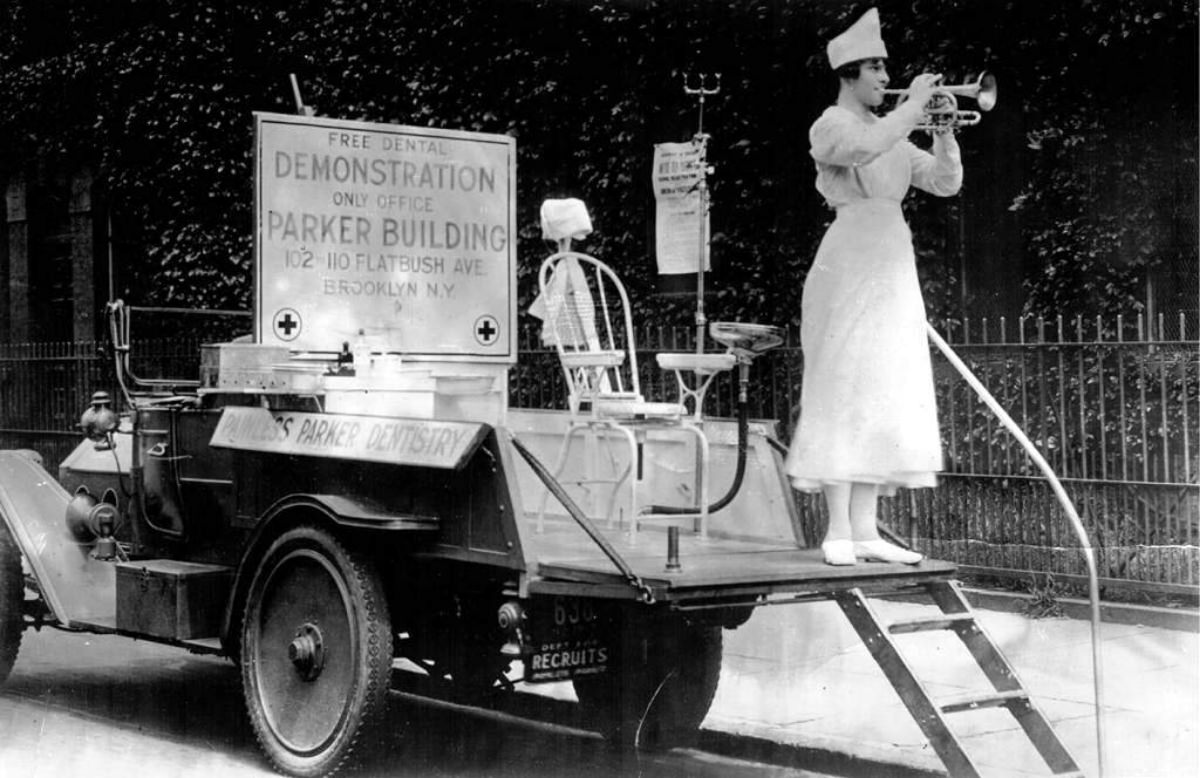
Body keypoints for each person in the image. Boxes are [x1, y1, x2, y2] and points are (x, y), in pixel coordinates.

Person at [784, 7, 962, 566]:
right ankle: (836, 530)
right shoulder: (831, 125)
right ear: (849, 75)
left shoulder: (893, 133)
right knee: (843, 384)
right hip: (848, 260)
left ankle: (865, 530)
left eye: (888, 70)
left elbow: (943, 182)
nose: (888, 79)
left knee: (883, 388)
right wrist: (911, 109)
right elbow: (863, 148)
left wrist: (943, 133)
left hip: (891, 263)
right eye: (877, 71)